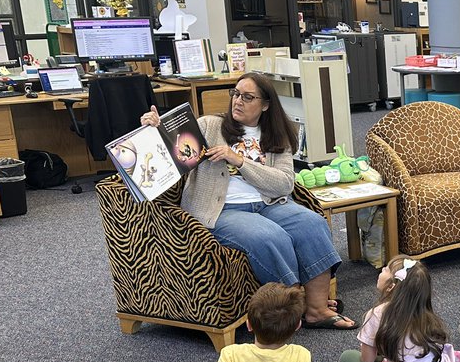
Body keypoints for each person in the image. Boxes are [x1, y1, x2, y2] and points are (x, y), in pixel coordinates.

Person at [139, 71, 352, 329]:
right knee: (270, 237)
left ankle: (317, 310)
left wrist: (239, 160)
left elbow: (284, 183)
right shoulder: (209, 126)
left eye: (248, 97)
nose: (238, 101)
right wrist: (152, 128)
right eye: (236, 94)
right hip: (221, 210)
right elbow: (167, 152)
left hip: (270, 203)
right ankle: (292, 310)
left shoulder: (277, 135)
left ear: (265, 105)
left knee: (313, 224)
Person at [339, 256, 459, 362]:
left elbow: (366, 360)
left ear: (391, 286)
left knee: (347, 357)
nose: (382, 270)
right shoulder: (425, 312)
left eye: (386, 269)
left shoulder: (377, 314)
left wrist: (377, 355)